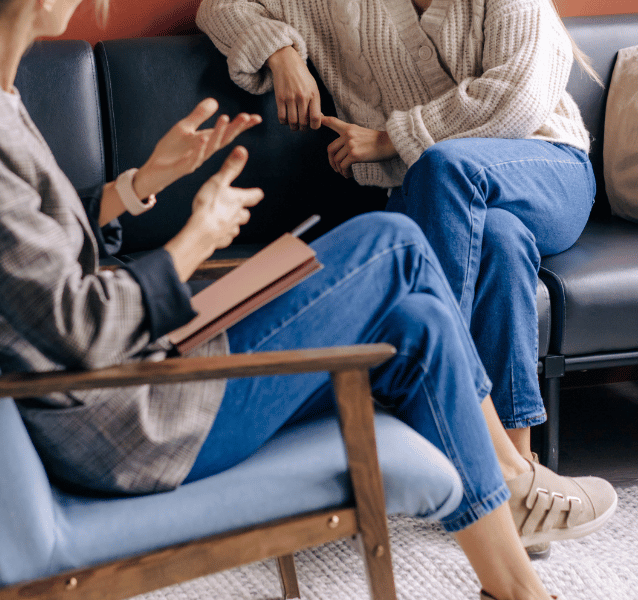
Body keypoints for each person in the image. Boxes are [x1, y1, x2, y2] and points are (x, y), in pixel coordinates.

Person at [0, 0, 615, 599]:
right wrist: (195, 240)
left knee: (418, 314)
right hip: (132, 417)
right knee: (394, 244)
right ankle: (513, 479)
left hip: (136, 380)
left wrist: (143, 183)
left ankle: (514, 586)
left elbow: (37, 246)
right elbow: (78, 327)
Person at [196, 0, 613, 559]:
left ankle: (461, 436)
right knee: (499, 239)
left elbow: (517, 98)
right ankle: (516, 473)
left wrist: (393, 138)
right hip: (448, 199)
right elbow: (220, 5)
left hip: (545, 168)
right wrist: (281, 51)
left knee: (444, 167)